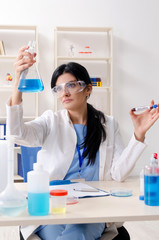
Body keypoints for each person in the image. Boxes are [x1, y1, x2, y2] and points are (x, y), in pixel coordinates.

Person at [7, 46, 159, 240]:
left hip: (93, 207)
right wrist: (18, 80)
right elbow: (16, 132)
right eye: (59, 88)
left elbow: (118, 173)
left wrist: (139, 135)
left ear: (87, 89)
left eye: (71, 85)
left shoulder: (108, 124)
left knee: (78, 233)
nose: (64, 93)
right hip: (55, 203)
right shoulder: (50, 121)